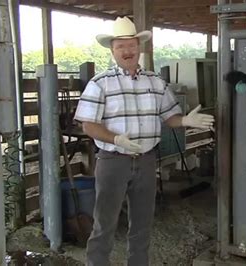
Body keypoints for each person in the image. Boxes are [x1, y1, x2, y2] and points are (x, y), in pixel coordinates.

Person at [73, 16, 214, 266]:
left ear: (139, 47)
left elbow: (170, 116)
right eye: (120, 46)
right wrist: (116, 138)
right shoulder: (100, 84)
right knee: (105, 224)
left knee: (142, 224)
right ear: (112, 50)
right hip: (113, 161)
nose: (127, 51)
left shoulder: (155, 82)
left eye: (131, 45)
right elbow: (88, 124)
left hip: (147, 160)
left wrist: (185, 121)